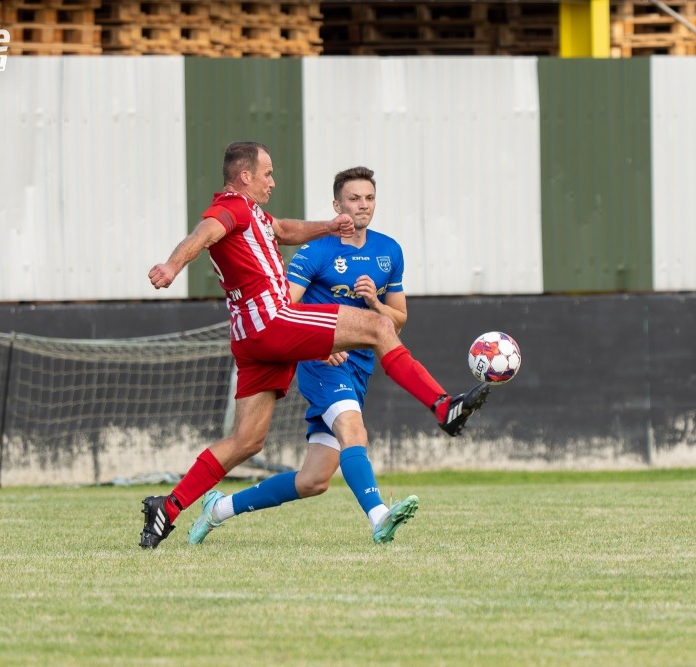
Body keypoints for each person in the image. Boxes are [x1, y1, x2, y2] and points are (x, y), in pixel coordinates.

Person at [139, 142, 491, 549]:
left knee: (248, 442)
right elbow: (204, 233)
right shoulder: (231, 208)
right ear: (245, 176)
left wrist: (329, 226)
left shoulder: (253, 214)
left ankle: (169, 508)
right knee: (378, 326)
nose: (272, 181)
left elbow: (285, 231)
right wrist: (172, 265)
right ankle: (443, 407)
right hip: (272, 321)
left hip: (250, 337)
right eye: (267, 173)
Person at [187, 166, 419, 546]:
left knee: (314, 480)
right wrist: (317, 345)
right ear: (337, 205)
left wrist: (375, 303)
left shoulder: (389, 250)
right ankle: (379, 517)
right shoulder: (315, 252)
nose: (363, 205)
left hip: (360, 367)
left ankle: (219, 509)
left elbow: (399, 321)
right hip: (323, 363)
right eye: (354, 198)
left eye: (369, 198)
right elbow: (284, 309)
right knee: (354, 431)